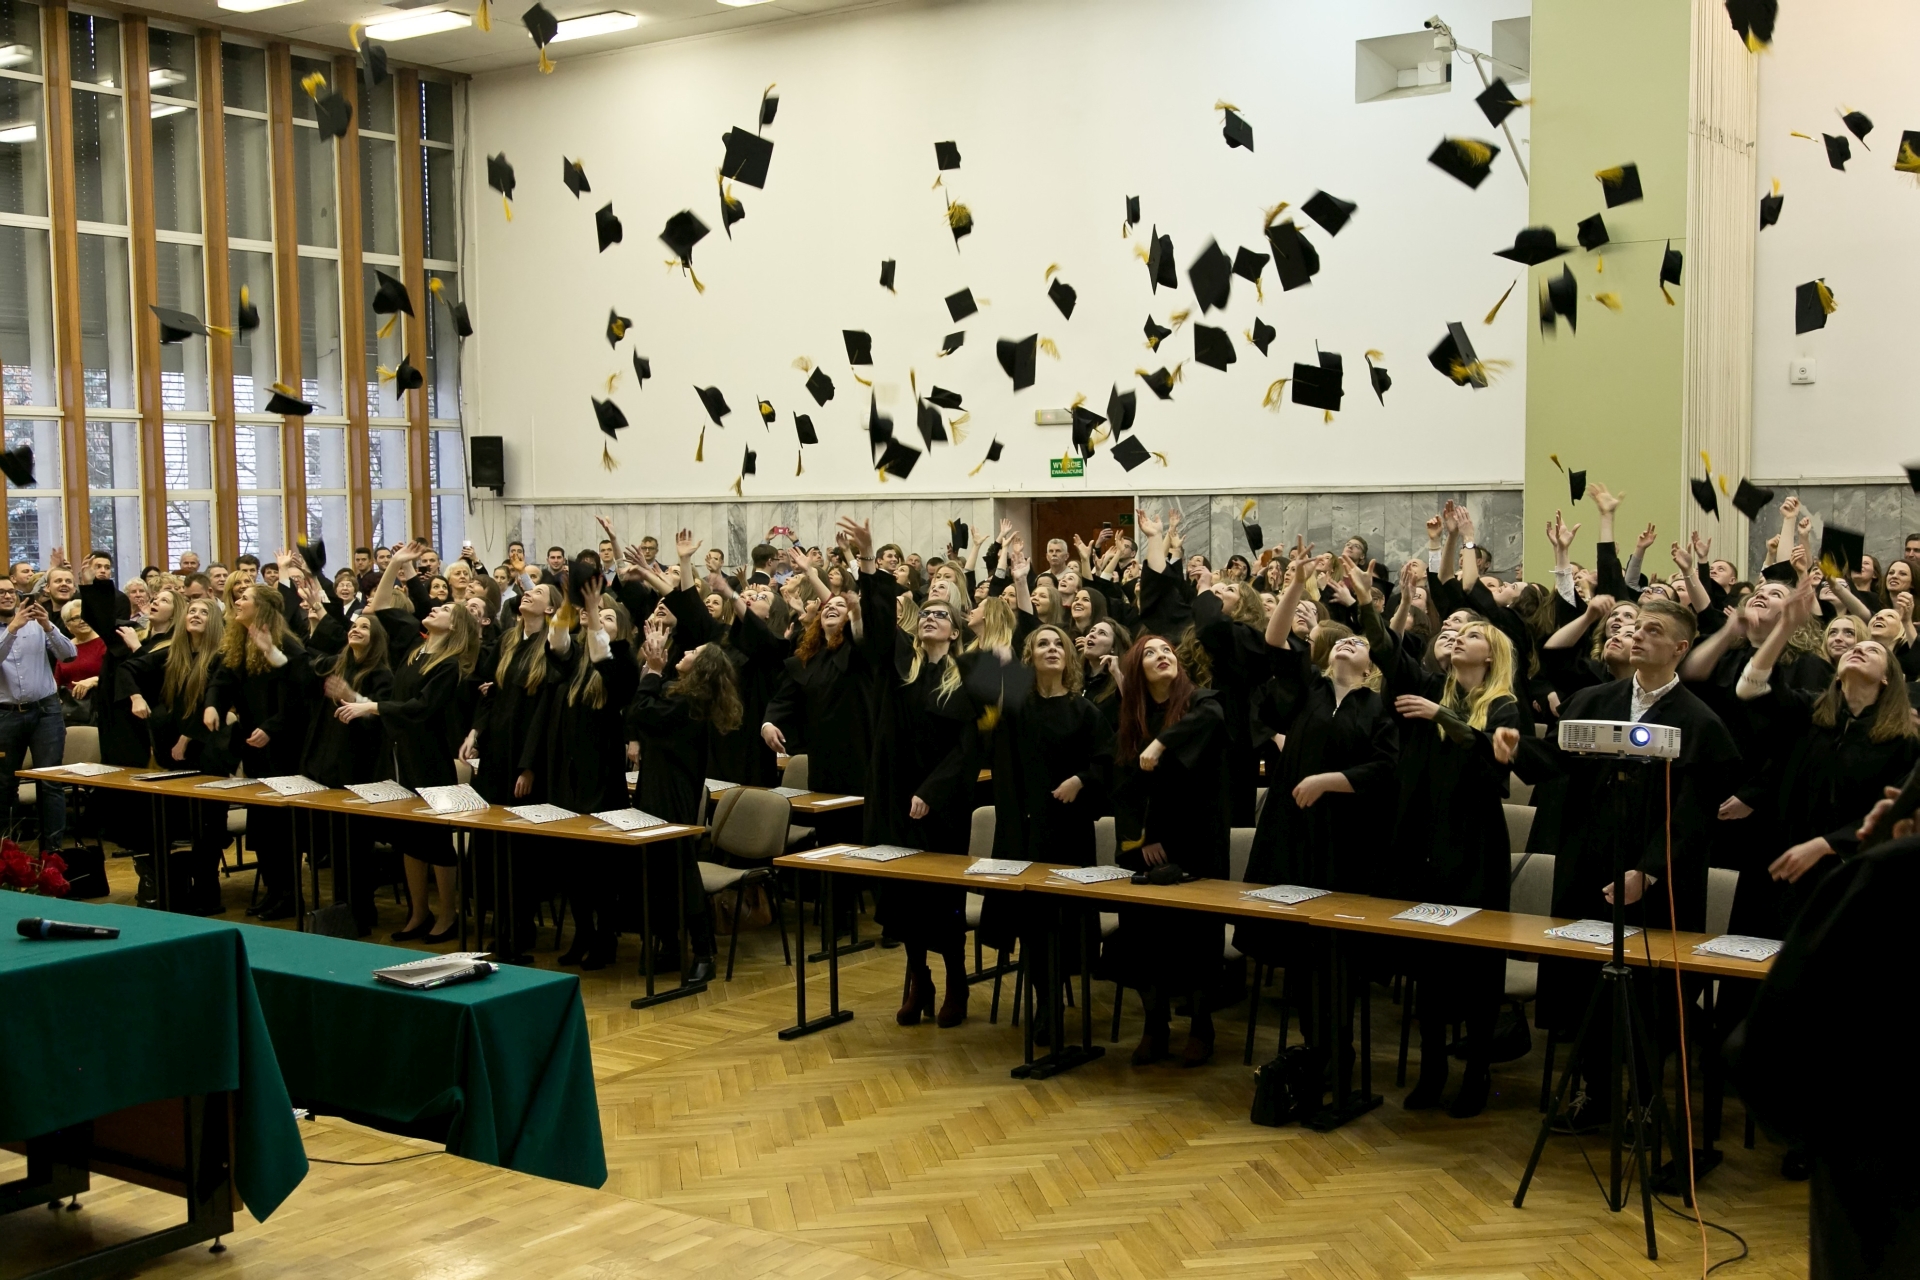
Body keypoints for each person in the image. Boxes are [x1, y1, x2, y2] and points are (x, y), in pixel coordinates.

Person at [1517, 597, 1739, 1133]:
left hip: (1657, 877)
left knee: (1648, 994)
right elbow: (1556, 763)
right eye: (1636, 627)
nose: (1637, 636)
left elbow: (1693, 815)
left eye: (1653, 630)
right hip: (1589, 863)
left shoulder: (1700, 721)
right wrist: (1512, 748)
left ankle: (1645, 1102)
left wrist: (1650, 870)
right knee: (1588, 984)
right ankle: (1593, 1093)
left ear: (1680, 648)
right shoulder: (1595, 700)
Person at [852, 517, 979, 1028]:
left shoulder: (965, 677)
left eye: (940, 615)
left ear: (956, 629)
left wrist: (933, 791)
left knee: (940, 900)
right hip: (894, 795)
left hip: (941, 806)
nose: (930, 618)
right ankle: (918, 979)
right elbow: (879, 625)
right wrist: (868, 564)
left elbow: (968, 748)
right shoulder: (902, 666)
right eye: (924, 613)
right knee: (902, 897)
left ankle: (956, 980)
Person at [339, 541, 481, 943]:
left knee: (434, 841)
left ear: (455, 626)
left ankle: (448, 914)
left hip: (429, 757)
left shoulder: (449, 665)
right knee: (408, 839)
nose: (434, 609)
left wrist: (371, 707)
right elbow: (379, 606)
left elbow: (421, 708)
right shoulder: (414, 646)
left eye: (444, 610)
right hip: (399, 754)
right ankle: (418, 912)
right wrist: (397, 565)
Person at [1110, 631, 1230, 1066]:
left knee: (1195, 938)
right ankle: (1154, 1024)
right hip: (1153, 843)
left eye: (1167, 650)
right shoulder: (1133, 718)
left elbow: (1212, 719)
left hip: (1198, 840)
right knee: (1144, 936)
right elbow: (1125, 789)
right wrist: (1142, 840)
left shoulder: (1201, 702)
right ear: (1137, 670)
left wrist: (1162, 742)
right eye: (1151, 653)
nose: (1163, 655)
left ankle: (1201, 1026)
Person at [630, 601, 743, 982]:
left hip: (674, 792)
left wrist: (653, 670)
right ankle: (668, 944)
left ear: (704, 667)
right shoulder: (677, 691)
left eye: (693, 651)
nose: (686, 652)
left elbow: (645, 713)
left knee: (679, 869)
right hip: (657, 784)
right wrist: (652, 667)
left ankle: (704, 950)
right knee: (656, 869)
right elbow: (646, 706)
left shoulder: (693, 700)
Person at [460, 579, 560, 962]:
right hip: (497, 754)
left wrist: (529, 766)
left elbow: (543, 714)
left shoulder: (551, 648)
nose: (529, 593)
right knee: (491, 844)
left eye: (539, 593)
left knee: (520, 850)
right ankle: (498, 923)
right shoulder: (508, 640)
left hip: (525, 757)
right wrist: (475, 732)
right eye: (528, 591)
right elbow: (490, 692)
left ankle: (520, 927)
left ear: (550, 609)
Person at [545, 577, 640, 969]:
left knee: (601, 867)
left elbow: (607, 662)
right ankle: (582, 930)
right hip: (569, 774)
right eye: (595, 614)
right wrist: (570, 602)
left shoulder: (623, 663)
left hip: (602, 776)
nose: (597, 618)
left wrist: (595, 613)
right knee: (572, 864)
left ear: (620, 627)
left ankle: (606, 936)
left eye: (607, 617)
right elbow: (556, 642)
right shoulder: (577, 661)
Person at [208, 585, 311, 920]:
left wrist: (272, 728)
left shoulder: (289, 648)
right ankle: (273, 891)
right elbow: (221, 680)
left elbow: (300, 701)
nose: (237, 602)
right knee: (262, 830)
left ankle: (290, 896)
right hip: (255, 747)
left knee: (281, 829)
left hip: (284, 749)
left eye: (245, 598)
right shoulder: (239, 643)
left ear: (263, 608)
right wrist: (212, 705)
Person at [299, 610, 393, 933]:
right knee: (337, 849)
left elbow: (382, 722)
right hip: (330, 770)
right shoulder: (337, 666)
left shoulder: (381, 675)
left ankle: (361, 915)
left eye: (365, 627)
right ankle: (341, 913)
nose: (356, 629)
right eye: (354, 626)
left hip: (360, 772)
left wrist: (352, 698)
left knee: (356, 850)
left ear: (376, 638)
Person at [0, 581, 75, 850]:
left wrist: (47, 626)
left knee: (50, 782)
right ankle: (7, 853)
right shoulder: (16, 625)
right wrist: (12, 629)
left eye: (11, 591)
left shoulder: (36, 624)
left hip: (46, 711)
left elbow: (69, 655)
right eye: (1, 593)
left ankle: (52, 853)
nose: (7, 596)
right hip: (6, 715)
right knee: (4, 784)